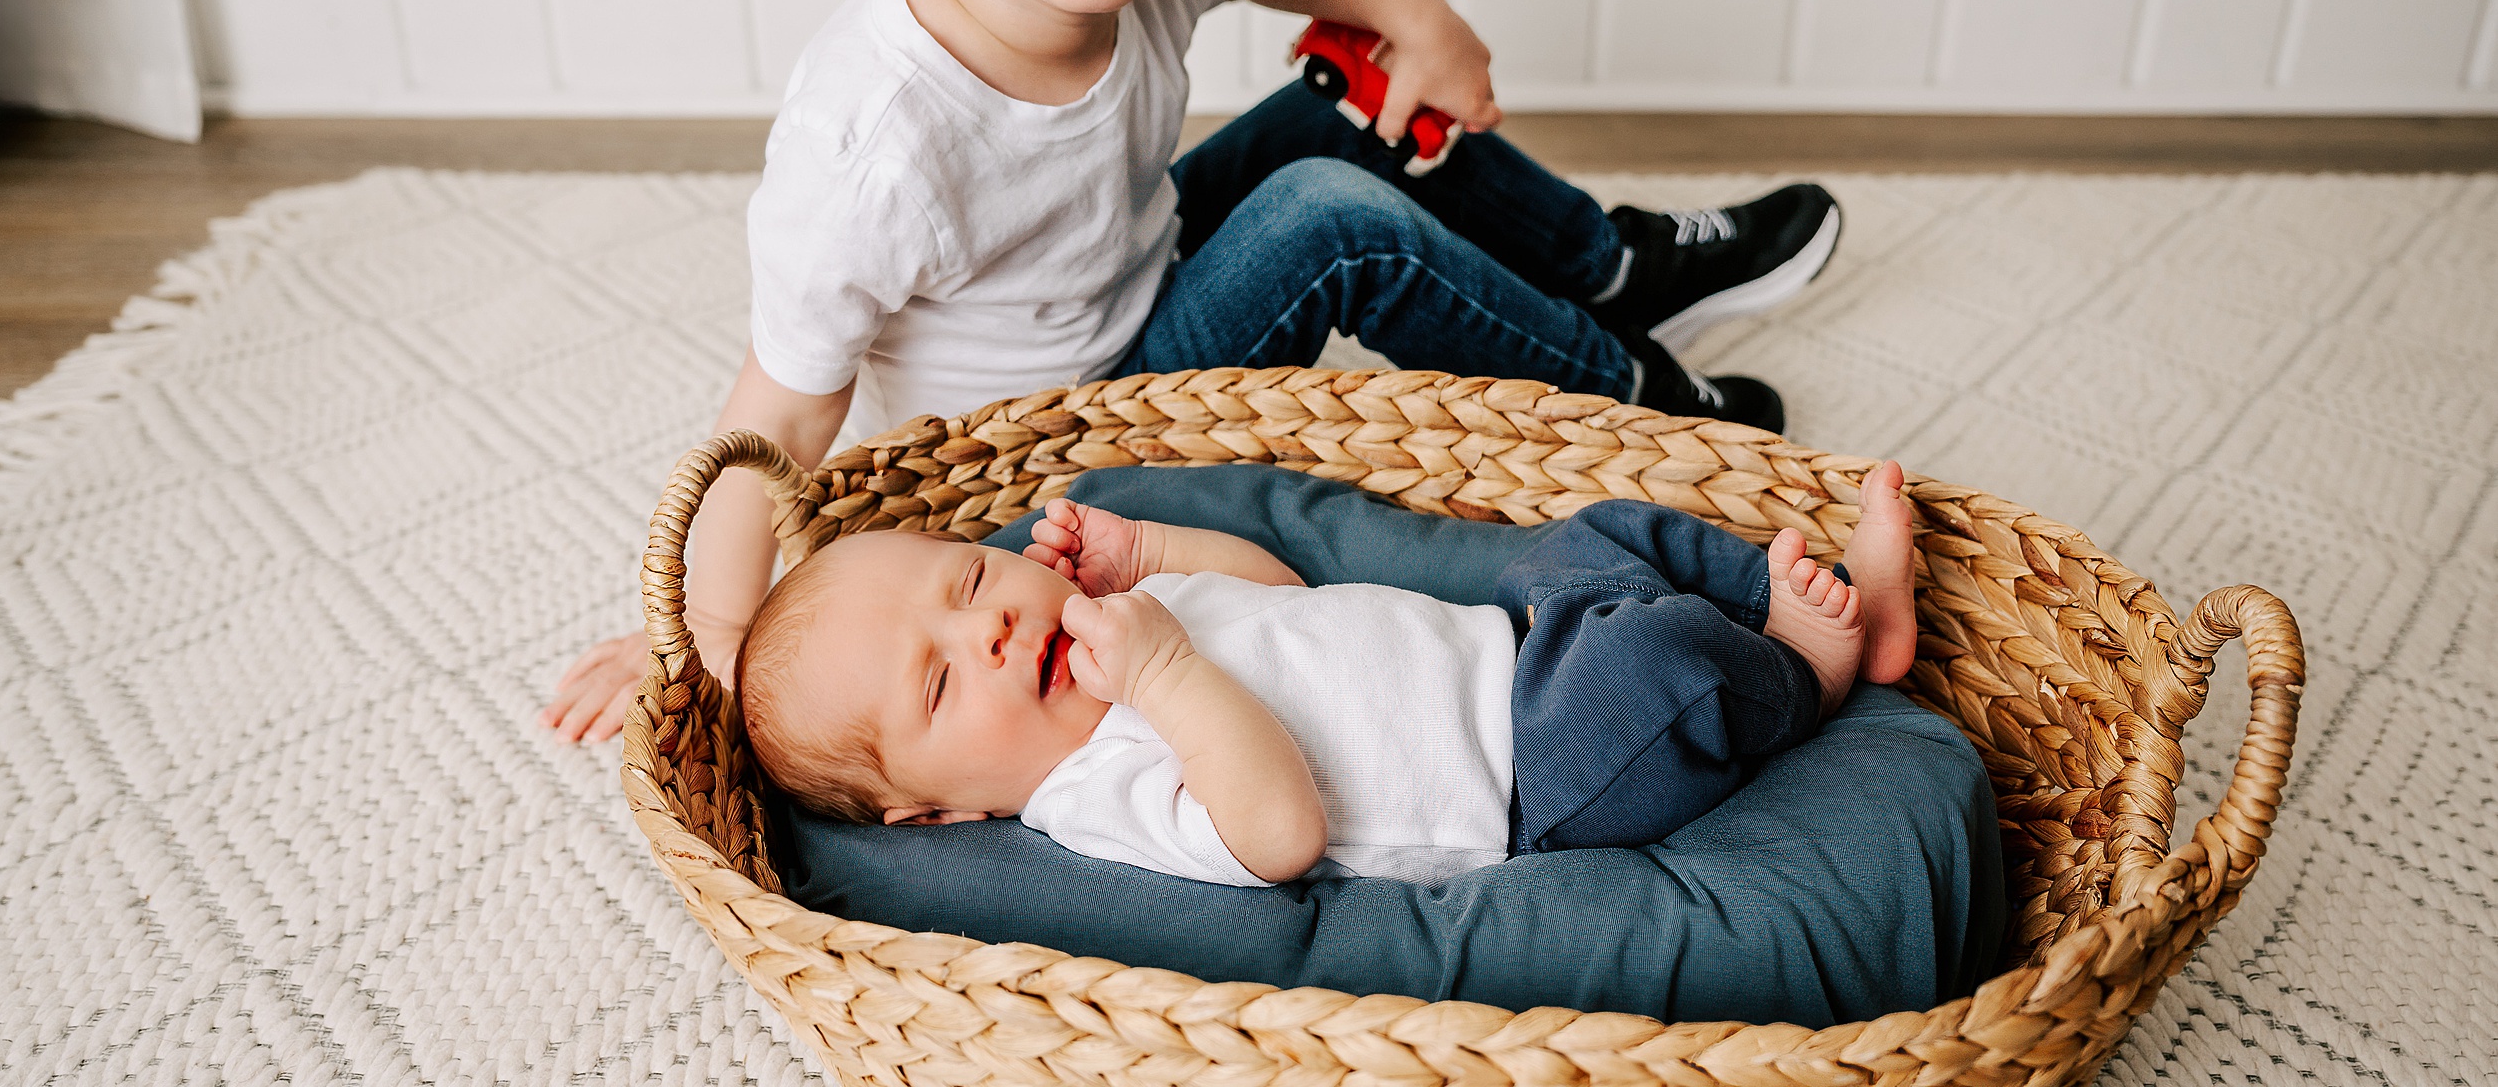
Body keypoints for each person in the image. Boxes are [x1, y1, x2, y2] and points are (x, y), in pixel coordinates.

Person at [543, 0, 1841, 743]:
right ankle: (1645, 402)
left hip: (1138, 263)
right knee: (1327, 220)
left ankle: (1608, 262)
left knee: (1355, 90)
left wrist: (1419, 17)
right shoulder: (876, 141)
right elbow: (773, 412)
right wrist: (708, 631)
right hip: (1063, 440)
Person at [733, 462, 1920, 885]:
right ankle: (1815, 670)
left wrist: (1147, 554)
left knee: (1602, 530)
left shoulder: (1122, 615)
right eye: (941, 686)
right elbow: (1278, 829)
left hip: (1504, 644)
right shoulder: (1090, 788)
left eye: (971, 583)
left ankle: (1776, 598)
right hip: (1526, 771)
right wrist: (1162, 677)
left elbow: (1275, 596)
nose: (988, 631)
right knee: (1661, 669)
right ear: (937, 809)